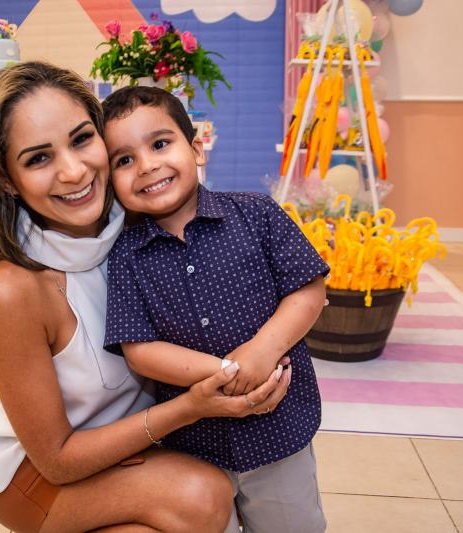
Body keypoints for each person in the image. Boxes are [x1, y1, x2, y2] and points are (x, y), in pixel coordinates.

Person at [0, 61, 292, 533]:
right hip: (36, 475)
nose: (74, 171)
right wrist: (190, 407)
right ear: (5, 179)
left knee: (227, 500)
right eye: (38, 159)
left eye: (81, 140)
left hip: (127, 439)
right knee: (202, 496)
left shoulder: (139, 223)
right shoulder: (13, 288)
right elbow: (56, 460)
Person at [101, 86, 330, 533]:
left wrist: (263, 350)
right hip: (193, 445)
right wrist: (228, 372)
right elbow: (139, 350)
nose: (146, 165)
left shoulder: (256, 214)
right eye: (124, 160)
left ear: (196, 149)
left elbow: (308, 288)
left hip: (278, 429)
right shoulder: (125, 255)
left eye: (160, 144)